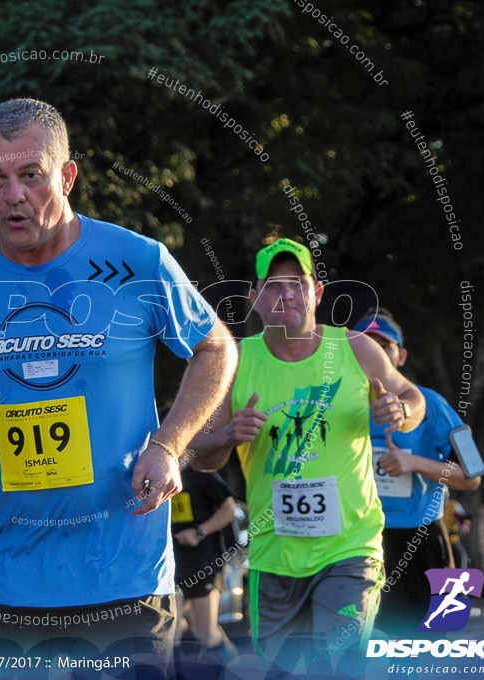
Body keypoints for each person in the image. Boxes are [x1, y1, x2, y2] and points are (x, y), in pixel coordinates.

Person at [0, 99, 237, 662]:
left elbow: (215, 345)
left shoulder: (136, 261)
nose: (12, 196)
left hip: (123, 577)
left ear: (67, 175)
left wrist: (169, 445)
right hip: (5, 581)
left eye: (30, 176)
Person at [189, 237, 426, 676]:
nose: (287, 296)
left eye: (297, 283)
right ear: (256, 300)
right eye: (274, 287)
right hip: (273, 556)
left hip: (349, 547)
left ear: (317, 293)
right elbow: (198, 454)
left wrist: (402, 410)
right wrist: (226, 435)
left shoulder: (355, 348)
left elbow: (411, 396)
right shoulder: (236, 362)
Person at [353, 309, 481, 636]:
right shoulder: (331, 405)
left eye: (384, 345)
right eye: (365, 343)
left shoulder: (435, 404)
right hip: (359, 542)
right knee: (364, 649)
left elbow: (473, 475)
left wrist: (416, 464)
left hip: (424, 540)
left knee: (438, 646)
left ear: (401, 356)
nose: (374, 353)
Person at [170, 465, 237, 654]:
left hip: (202, 563)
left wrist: (199, 532)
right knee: (168, 634)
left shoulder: (200, 472)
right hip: (169, 565)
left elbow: (229, 509)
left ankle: (229, 664)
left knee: (205, 633)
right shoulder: (153, 475)